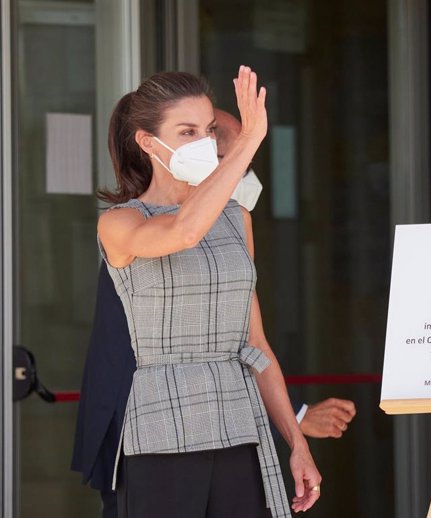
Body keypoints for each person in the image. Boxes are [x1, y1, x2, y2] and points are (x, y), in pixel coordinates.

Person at [72, 107, 356, 518]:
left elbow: (249, 342)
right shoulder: (128, 224)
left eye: (243, 158)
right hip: (142, 424)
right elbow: (183, 238)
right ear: (152, 145)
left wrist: (295, 435)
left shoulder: (235, 222)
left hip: (231, 425)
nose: (239, 171)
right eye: (230, 157)